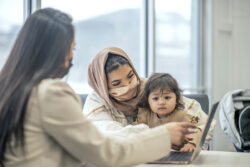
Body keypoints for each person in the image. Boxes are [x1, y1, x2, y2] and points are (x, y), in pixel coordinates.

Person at [0, 8, 196, 167]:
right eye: (72, 48)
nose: (71, 57)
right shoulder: (51, 93)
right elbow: (104, 152)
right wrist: (163, 135)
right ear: (57, 51)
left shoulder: (10, 88)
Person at [134, 73, 216, 152]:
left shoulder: (187, 110)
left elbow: (202, 125)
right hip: (156, 154)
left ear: (177, 98)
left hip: (185, 151)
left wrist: (192, 144)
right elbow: (138, 134)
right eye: (155, 98)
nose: (161, 102)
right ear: (148, 100)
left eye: (167, 97)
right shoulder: (144, 114)